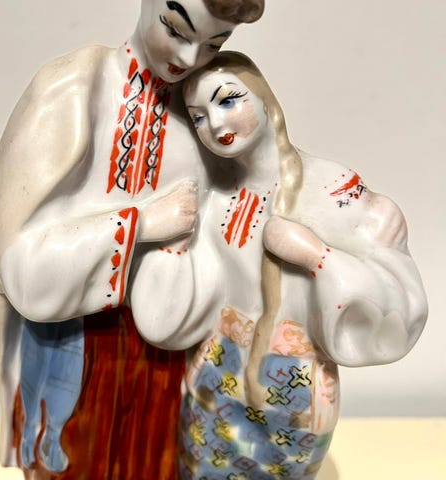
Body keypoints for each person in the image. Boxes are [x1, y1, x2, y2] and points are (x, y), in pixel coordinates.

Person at [0, 2, 265, 478]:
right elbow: (13, 259)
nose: (189, 58)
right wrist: (140, 224)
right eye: (176, 30)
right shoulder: (74, 89)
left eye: (213, 44)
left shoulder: (207, 106)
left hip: (165, 348)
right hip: (70, 338)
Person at [130, 51, 428, 479]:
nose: (214, 123)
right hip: (216, 379)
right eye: (198, 117)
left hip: (295, 388)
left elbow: (395, 289)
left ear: (266, 100)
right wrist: (172, 242)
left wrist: (317, 256)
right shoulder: (215, 200)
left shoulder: (331, 189)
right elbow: (176, 313)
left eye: (227, 100)